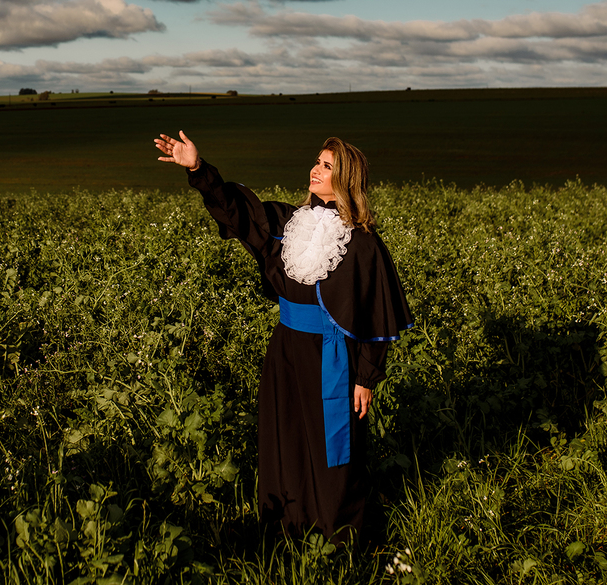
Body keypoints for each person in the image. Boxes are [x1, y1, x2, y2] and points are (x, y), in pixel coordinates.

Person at [154, 130, 413, 546]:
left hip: (333, 358)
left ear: (345, 178)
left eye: (327, 166)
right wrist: (199, 170)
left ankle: (338, 537)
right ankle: (286, 529)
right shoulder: (287, 224)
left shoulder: (363, 244)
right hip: (286, 350)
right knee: (286, 436)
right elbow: (238, 213)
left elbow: (375, 313)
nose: (316, 168)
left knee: (334, 451)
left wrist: (366, 377)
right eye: (317, 160)